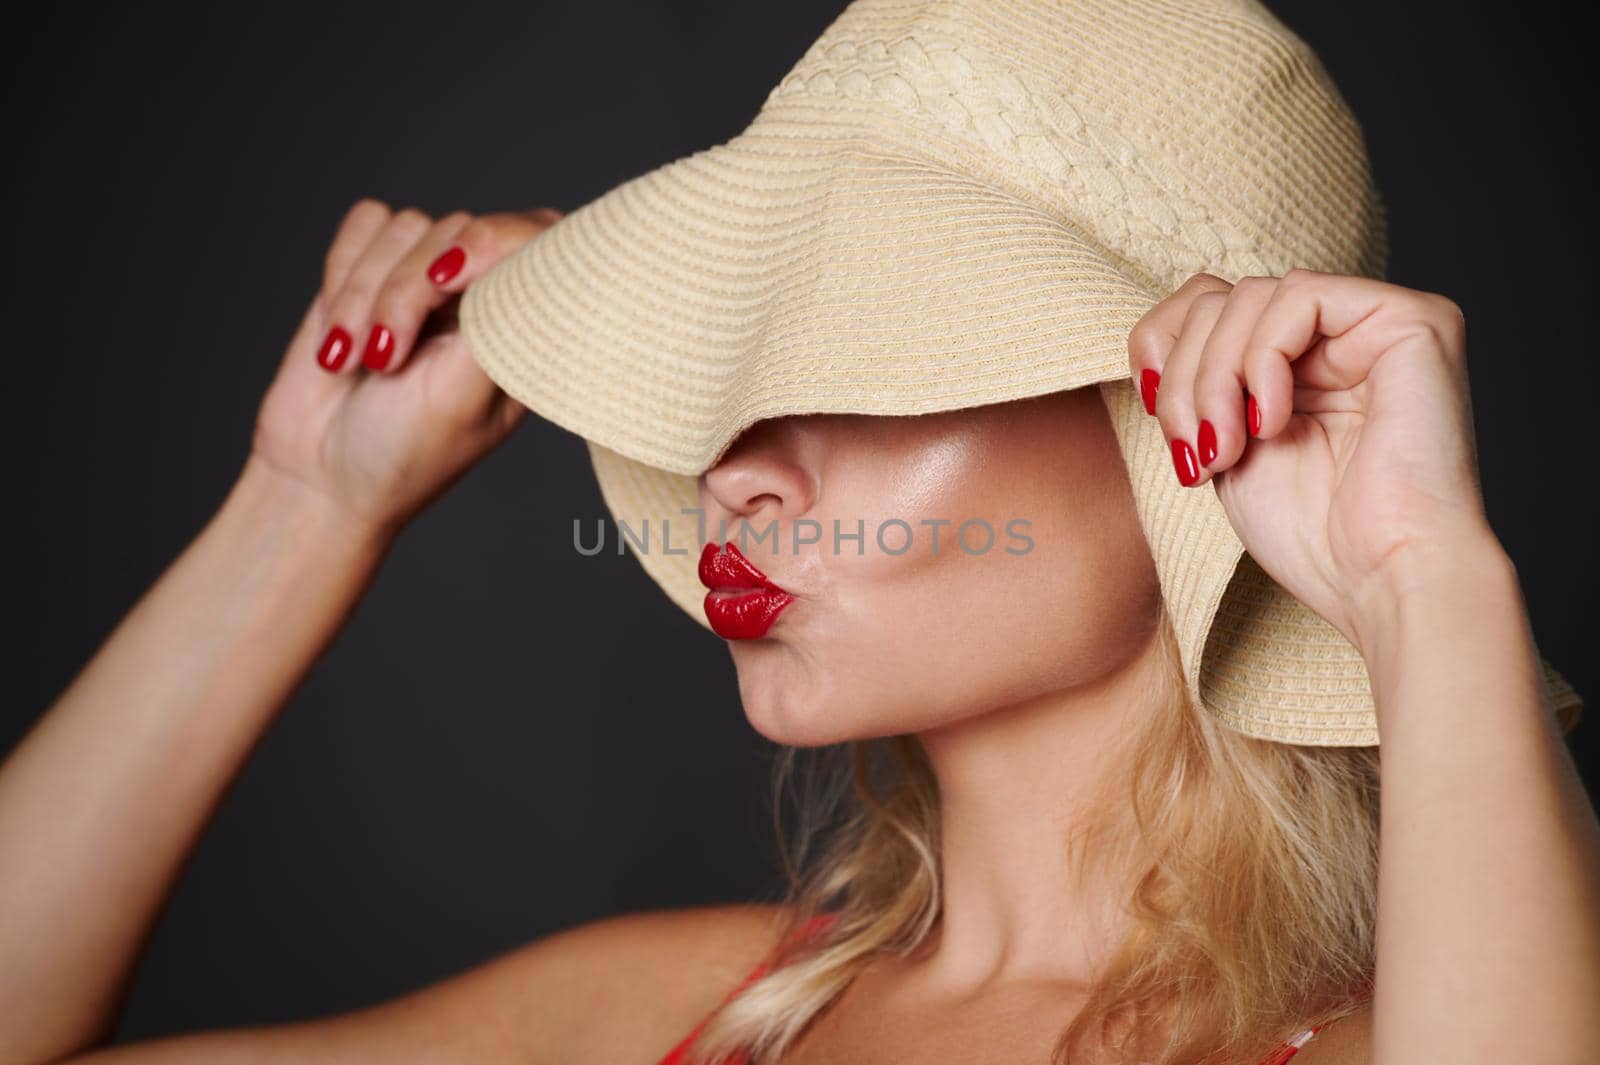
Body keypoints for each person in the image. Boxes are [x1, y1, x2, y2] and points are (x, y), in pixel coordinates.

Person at [3, 2, 1598, 1064]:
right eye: (749, 366)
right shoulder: (687, 1012)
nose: (737, 473)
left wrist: (1422, 585)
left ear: (1199, 420)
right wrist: (309, 502)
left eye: (875, 358)